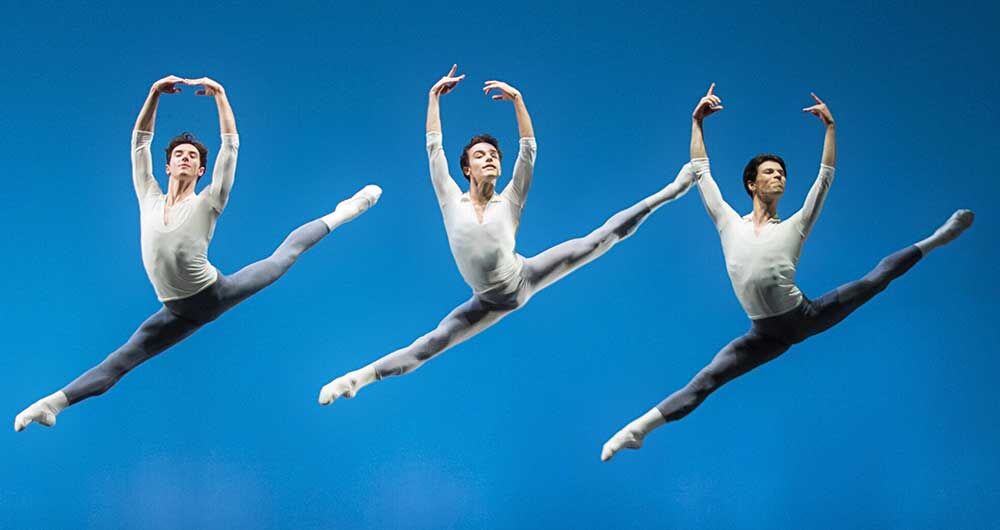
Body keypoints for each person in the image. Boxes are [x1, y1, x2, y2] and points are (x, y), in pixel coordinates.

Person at [600, 84, 974, 461]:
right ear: (751, 183)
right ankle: (638, 430)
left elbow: (823, 180)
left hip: (804, 316)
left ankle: (938, 238)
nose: (779, 177)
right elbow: (701, 173)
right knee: (705, 381)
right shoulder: (729, 222)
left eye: (781, 172)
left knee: (873, 281)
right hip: (763, 335)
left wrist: (830, 129)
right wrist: (697, 122)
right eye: (770, 172)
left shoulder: (794, 226)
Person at [14, 75, 381, 431]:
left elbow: (231, 149)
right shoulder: (149, 196)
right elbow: (139, 143)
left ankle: (345, 210)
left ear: (201, 169)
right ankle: (52, 405)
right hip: (174, 311)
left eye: (192, 156)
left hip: (213, 293)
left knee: (283, 257)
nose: (186, 158)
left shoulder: (208, 201)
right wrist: (154, 94)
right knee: (120, 361)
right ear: (168, 165)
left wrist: (221, 98)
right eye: (179, 154)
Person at [318, 65, 697, 405]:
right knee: (429, 345)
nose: (490, 158)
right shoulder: (451, 199)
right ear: (466, 168)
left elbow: (528, 153)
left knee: (597, 240)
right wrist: (433, 98)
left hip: (524, 276)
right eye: (481, 155)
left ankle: (672, 190)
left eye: (494, 154)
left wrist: (518, 101)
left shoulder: (510, 201)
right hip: (485, 301)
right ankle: (357, 379)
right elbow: (434, 149)